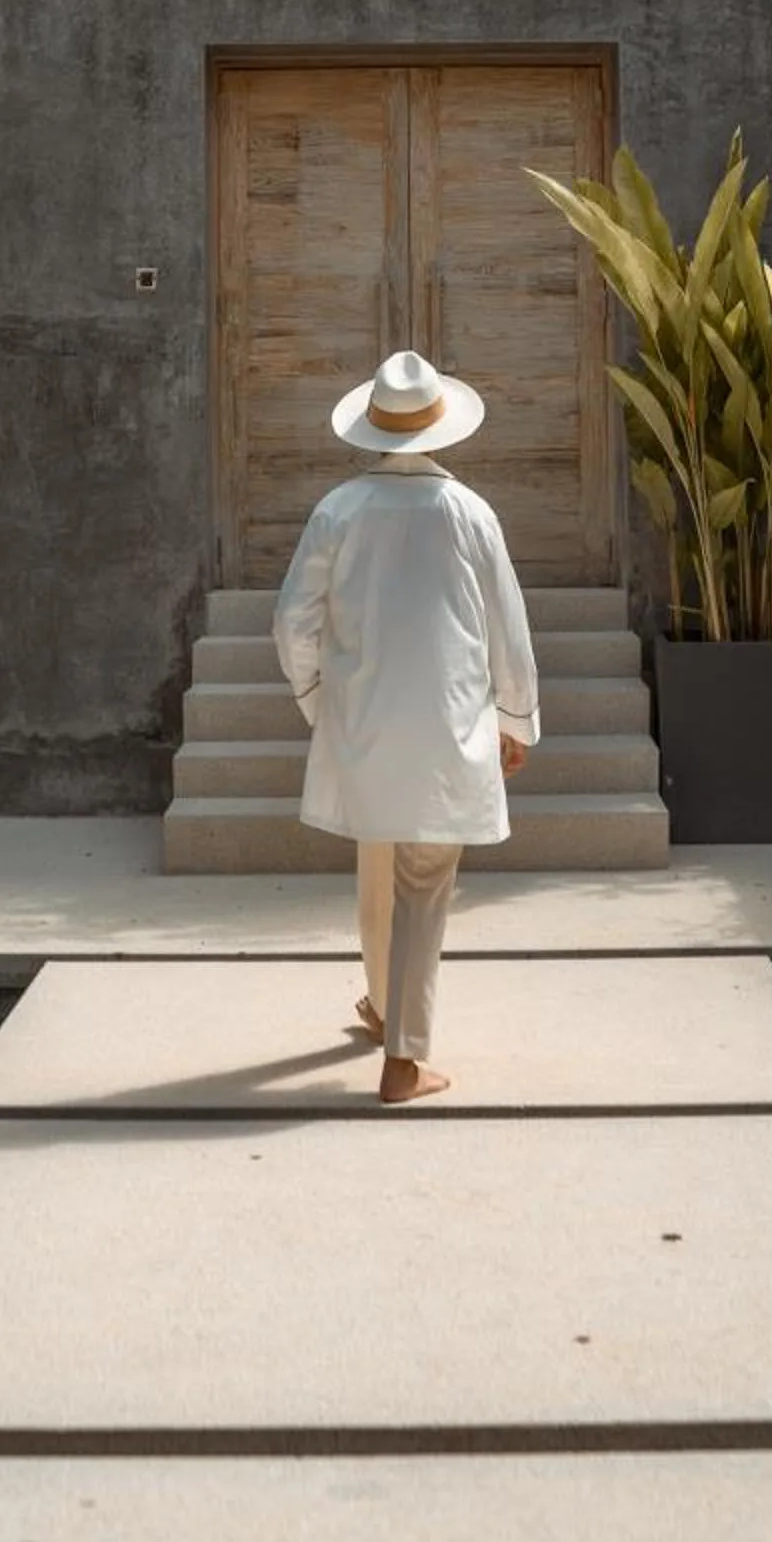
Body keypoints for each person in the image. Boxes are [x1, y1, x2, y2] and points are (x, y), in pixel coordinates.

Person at [271, 347, 539, 1104]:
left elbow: (291, 622)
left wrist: (318, 700)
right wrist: (516, 719)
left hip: (363, 723)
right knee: (422, 882)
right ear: (441, 426)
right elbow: (508, 631)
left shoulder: (338, 509)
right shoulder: (469, 512)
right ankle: (405, 1060)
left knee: (377, 861)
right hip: (448, 728)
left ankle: (385, 1009)